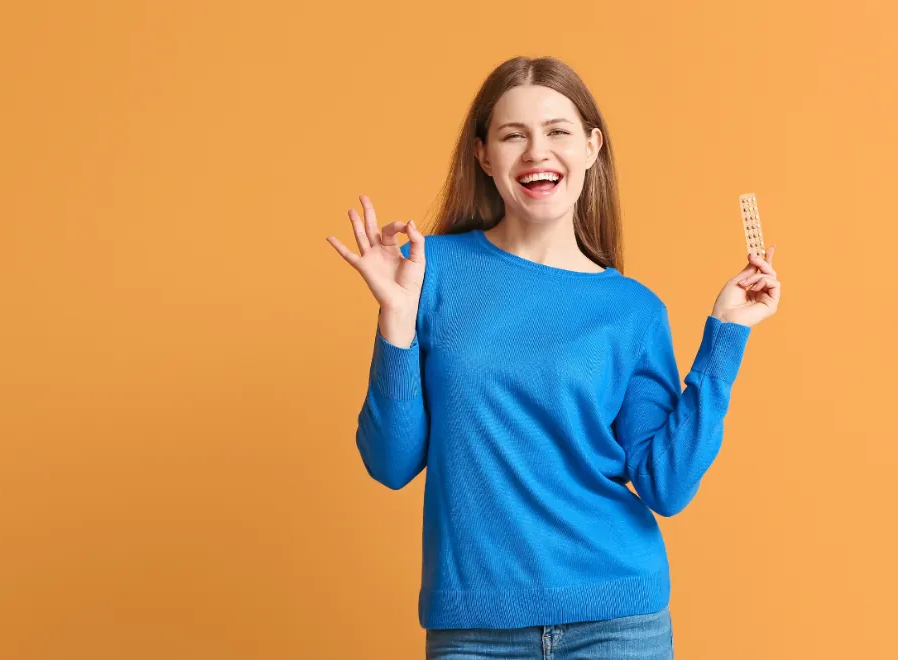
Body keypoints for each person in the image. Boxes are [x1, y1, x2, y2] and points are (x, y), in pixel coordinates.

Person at [326, 56, 781, 660]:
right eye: (514, 135)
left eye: (558, 131)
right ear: (485, 155)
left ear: (592, 147)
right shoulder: (425, 271)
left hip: (617, 624)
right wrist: (396, 321)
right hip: (473, 631)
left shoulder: (633, 310)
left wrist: (725, 336)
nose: (537, 152)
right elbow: (390, 462)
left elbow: (666, 486)